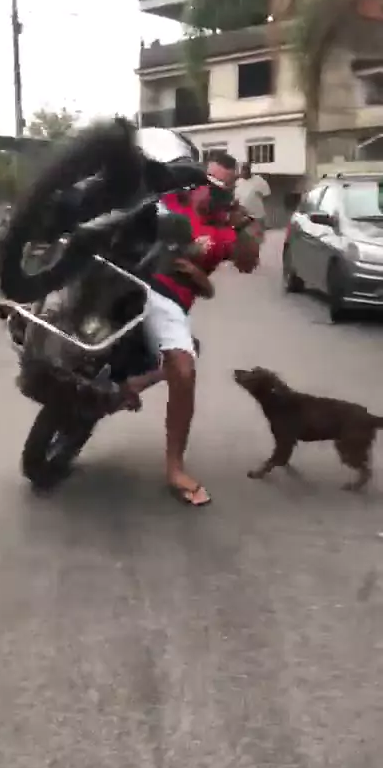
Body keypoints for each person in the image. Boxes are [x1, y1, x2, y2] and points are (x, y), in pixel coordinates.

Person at [123, 151, 258, 507]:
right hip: (125, 273)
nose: (209, 190)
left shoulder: (223, 231)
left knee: (184, 370)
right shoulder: (169, 195)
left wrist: (244, 225)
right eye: (206, 180)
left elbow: (248, 262)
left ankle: (175, 468)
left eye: (221, 187)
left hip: (167, 299)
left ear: (230, 190)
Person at [235, 162, 270, 233]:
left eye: (245, 169)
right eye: (242, 169)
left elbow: (267, 194)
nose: (243, 172)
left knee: (258, 237)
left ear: (249, 170)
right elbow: (236, 199)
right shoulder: (238, 182)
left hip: (257, 217)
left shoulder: (259, 180)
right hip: (243, 217)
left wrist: (256, 200)